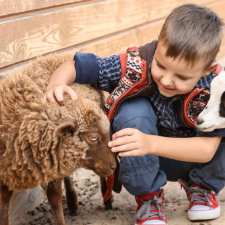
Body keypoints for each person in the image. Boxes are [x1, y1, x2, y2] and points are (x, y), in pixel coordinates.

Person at [45, 4, 225, 225]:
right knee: (133, 109)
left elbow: (207, 150)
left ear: (206, 70)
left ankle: (203, 188)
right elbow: (78, 66)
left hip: (192, 156)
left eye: (181, 76)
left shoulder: (215, 88)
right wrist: (56, 83)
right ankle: (148, 198)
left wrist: (151, 143)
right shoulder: (137, 64)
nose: (167, 80)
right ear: (158, 47)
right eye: (161, 65)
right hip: (144, 155)